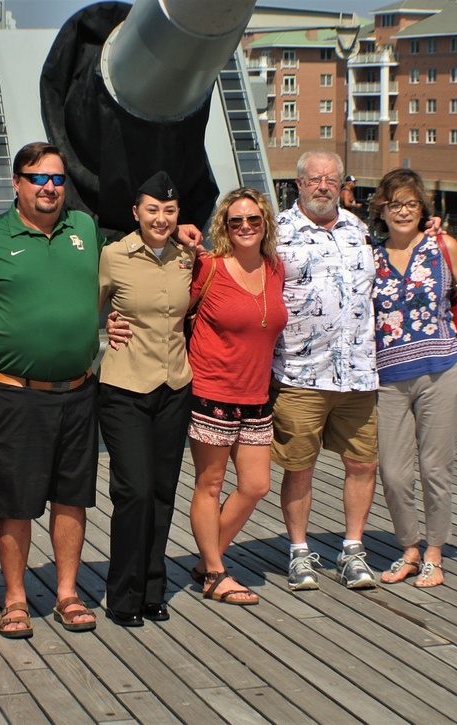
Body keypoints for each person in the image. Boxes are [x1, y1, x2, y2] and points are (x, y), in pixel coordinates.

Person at [0, 142, 203, 639]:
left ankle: (68, 593)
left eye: (57, 179)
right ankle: (18, 599)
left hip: (79, 389)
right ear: (17, 184)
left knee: (73, 498)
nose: (49, 188)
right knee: (17, 501)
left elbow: (138, 250)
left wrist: (184, 229)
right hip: (14, 393)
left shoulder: (84, 230)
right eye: (38, 179)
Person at [270, 150, 380, 592]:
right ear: (298, 183)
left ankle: (353, 549)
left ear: (341, 185)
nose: (322, 186)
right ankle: (299, 552)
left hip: (358, 372)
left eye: (331, 180)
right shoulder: (276, 231)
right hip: (300, 373)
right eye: (314, 179)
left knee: (363, 463)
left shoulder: (359, 229)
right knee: (300, 467)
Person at [368, 168, 457, 588]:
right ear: (381, 208)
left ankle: (434, 551)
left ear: (423, 210)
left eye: (411, 204)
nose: (403, 211)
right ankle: (409, 548)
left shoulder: (443, 246)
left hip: (442, 370)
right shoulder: (371, 255)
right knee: (394, 473)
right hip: (389, 376)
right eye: (394, 204)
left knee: (435, 467)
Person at [97, 171, 194, 626]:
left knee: (161, 491)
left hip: (174, 386)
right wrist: (103, 330)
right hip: (125, 388)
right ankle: (123, 595)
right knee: (132, 491)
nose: (161, 218)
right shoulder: (113, 256)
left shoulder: (187, 257)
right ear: (136, 213)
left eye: (169, 211)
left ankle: (152, 590)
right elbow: (85, 310)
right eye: (152, 210)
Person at [187, 188, 287, 605]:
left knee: (256, 485)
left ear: (265, 224)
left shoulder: (275, 267)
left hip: (257, 395)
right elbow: (167, 309)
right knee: (210, 483)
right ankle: (215, 570)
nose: (245, 227)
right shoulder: (207, 267)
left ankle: (208, 559)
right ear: (225, 227)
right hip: (212, 391)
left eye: (253, 220)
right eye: (236, 221)